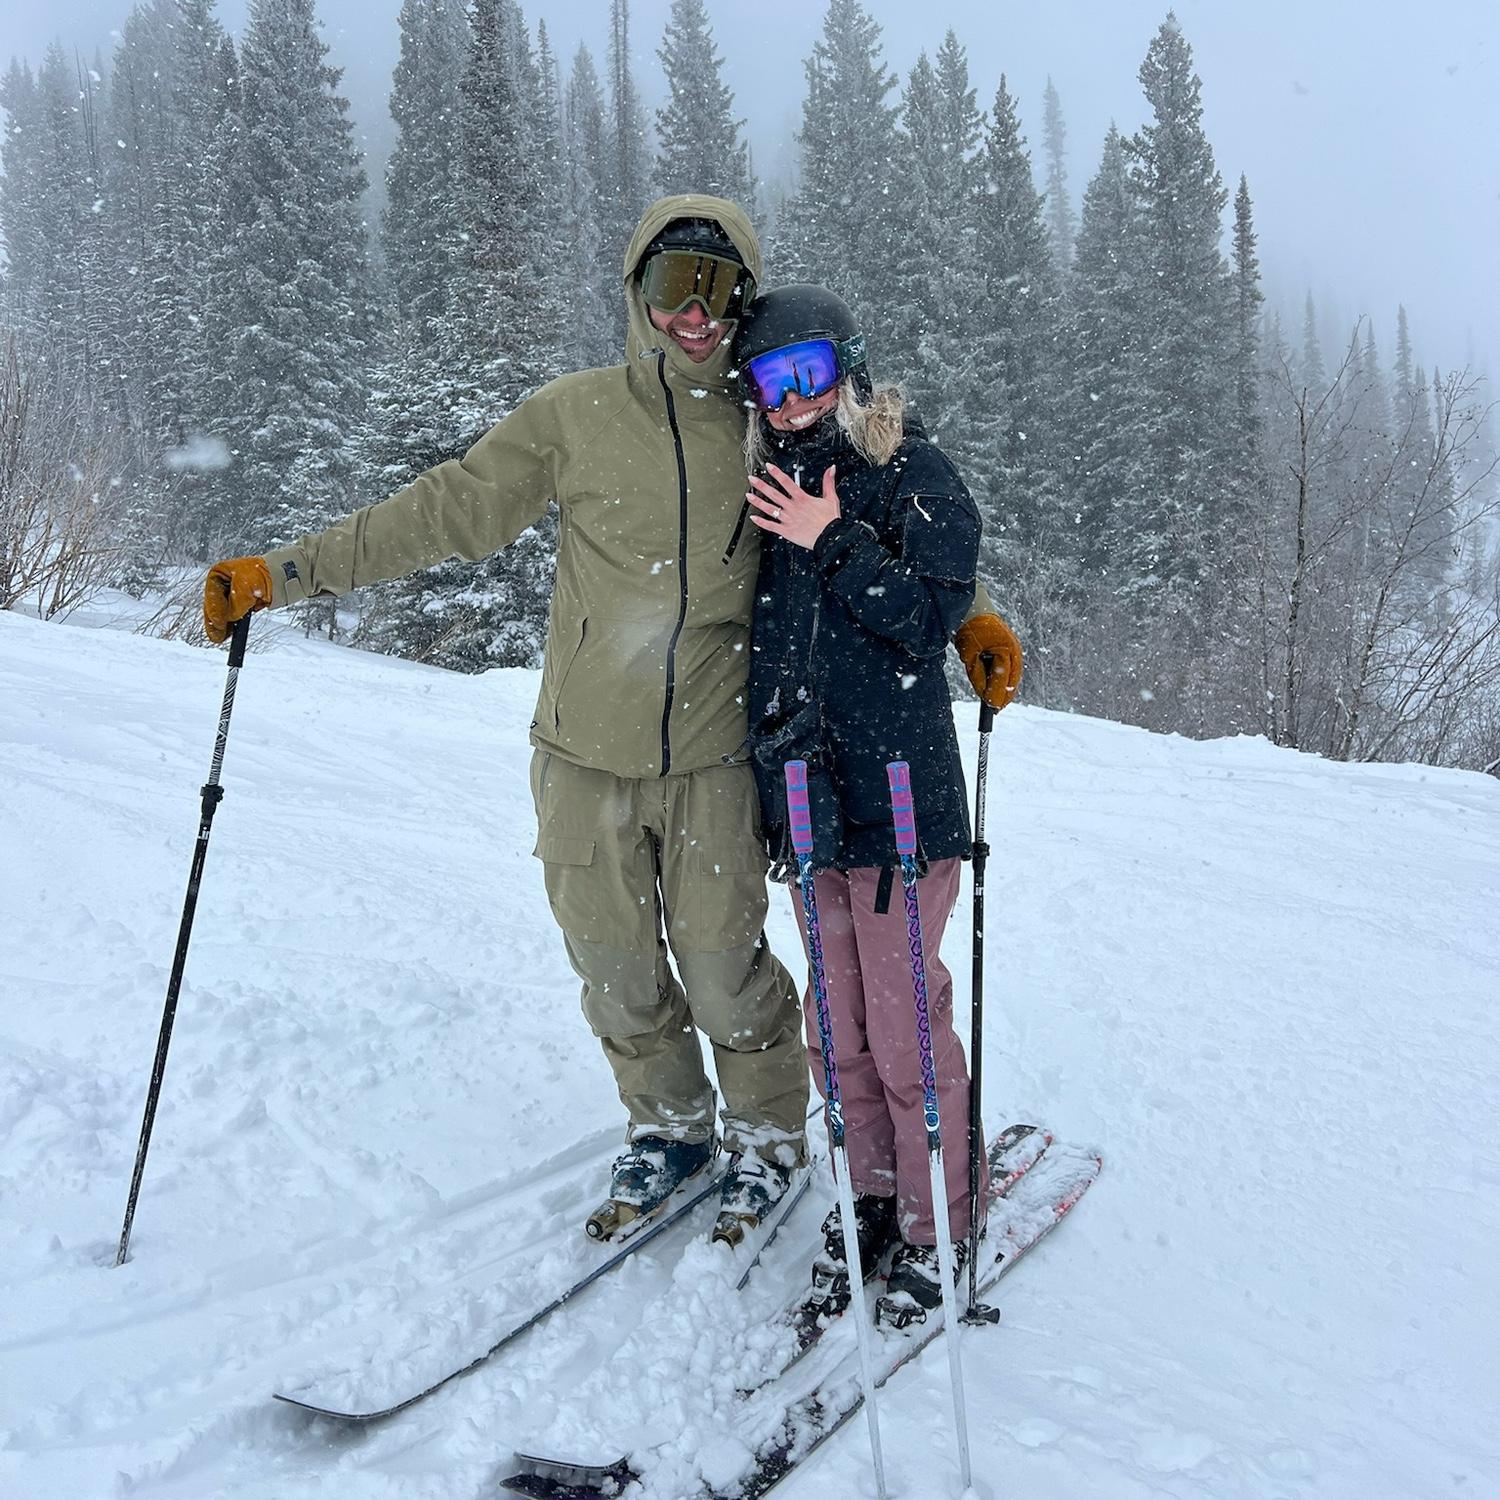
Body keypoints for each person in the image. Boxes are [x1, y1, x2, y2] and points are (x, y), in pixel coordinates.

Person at [201, 194, 1019, 1247]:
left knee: (730, 974)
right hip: (583, 758)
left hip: (719, 762)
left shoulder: (770, 414)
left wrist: (974, 623)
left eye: (717, 288)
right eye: (672, 285)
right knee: (618, 969)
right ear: (636, 294)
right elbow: (445, 508)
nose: (693, 312)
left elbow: (885, 511)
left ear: (744, 302)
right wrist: (285, 571)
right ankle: (671, 1124)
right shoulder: (576, 415)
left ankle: (768, 1135)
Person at [732, 284, 1021, 1315]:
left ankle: (943, 1218)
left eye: (810, 373)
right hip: (813, 808)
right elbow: (771, 656)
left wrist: (832, 537)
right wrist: (771, 782)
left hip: (901, 803)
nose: (794, 399)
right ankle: (873, 1196)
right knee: (837, 1027)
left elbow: (925, 616)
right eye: (772, 380)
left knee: (902, 1025)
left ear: (848, 370)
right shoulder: (768, 491)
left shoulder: (910, 470)